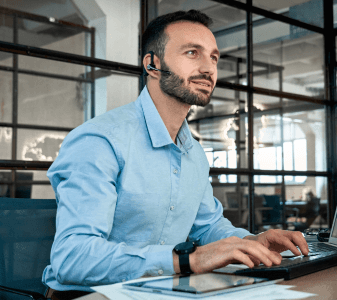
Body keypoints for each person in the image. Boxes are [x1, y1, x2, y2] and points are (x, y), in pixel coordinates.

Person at [42, 9, 309, 295]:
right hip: (92, 294)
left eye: (214, 57)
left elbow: (207, 227)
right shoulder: (100, 141)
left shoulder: (193, 153)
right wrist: (187, 260)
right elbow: (73, 258)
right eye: (192, 53)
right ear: (153, 64)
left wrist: (254, 241)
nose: (208, 68)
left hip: (164, 289)